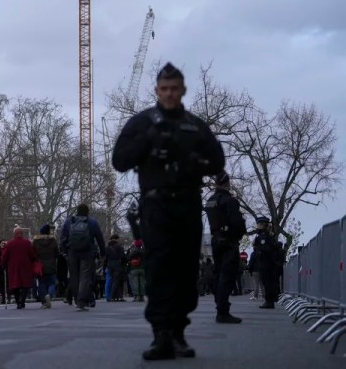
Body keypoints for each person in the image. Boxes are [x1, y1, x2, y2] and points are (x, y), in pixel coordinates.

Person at [112, 62, 225, 361]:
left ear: (183, 90)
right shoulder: (143, 122)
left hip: (187, 202)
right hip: (155, 204)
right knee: (159, 266)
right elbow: (119, 160)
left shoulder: (194, 125)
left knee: (186, 269)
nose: (170, 94)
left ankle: (178, 332)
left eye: (174, 89)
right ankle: (161, 334)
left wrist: (192, 161)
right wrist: (148, 143)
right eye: (164, 89)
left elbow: (217, 162)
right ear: (157, 91)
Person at [204, 171, 246, 323]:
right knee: (227, 276)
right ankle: (223, 311)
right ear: (227, 183)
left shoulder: (210, 201)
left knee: (219, 274)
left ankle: (220, 307)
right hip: (228, 241)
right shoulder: (229, 201)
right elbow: (237, 223)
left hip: (216, 240)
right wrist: (239, 234)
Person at [60, 203, 106, 311]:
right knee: (85, 276)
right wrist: (103, 254)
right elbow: (100, 239)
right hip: (87, 252)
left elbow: (62, 237)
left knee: (74, 276)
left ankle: (77, 299)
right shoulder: (92, 222)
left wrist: (66, 250)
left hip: (72, 252)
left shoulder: (69, 222)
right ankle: (81, 301)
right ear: (87, 211)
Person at [0, 227, 37, 309]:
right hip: (25, 266)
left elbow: (4, 256)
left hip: (13, 267)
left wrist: (3, 265)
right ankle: (22, 300)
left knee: (15, 284)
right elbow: (32, 255)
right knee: (25, 284)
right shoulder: (27, 243)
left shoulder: (10, 243)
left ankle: (17, 301)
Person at [253, 216, 281, 309]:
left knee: (267, 282)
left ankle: (269, 301)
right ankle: (270, 300)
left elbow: (265, 250)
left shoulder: (263, 237)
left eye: (259, 224)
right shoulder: (268, 236)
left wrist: (259, 253)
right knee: (268, 282)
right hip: (268, 263)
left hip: (266, 263)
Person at [32, 224, 59, 309]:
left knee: (41, 283)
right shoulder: (53, 241)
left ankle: (44, 301)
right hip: (51, 265)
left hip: (41, 266)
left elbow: (33, 254)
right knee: (52, 283)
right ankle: (49, 295)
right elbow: (57, 253)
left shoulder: (36, 242)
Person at [105, 234, 127, 302]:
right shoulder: (119, 247)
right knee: (116, 281)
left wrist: (105, 266)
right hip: (117, 265)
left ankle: (113, 296)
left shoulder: (107, 248)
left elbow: (105, 258)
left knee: (111, 281)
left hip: (109, 265)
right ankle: (114, 296)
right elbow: (123, 257)